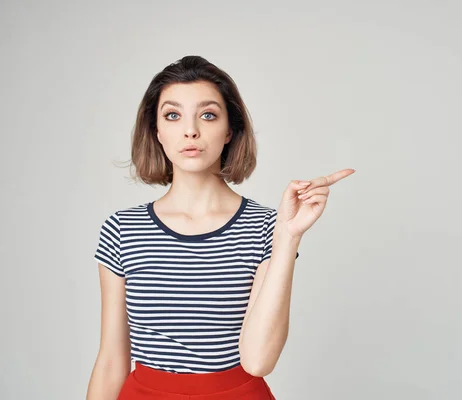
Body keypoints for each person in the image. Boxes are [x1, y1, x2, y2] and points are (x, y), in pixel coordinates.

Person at [86, 55, 354, 399]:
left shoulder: (265, 226)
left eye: (208, 115)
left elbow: (258, 361)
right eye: (173, 115)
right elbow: (111, 360)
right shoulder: (122, 229)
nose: (190, 130)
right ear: (156, 131)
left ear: (229, 130)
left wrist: (287, 237)